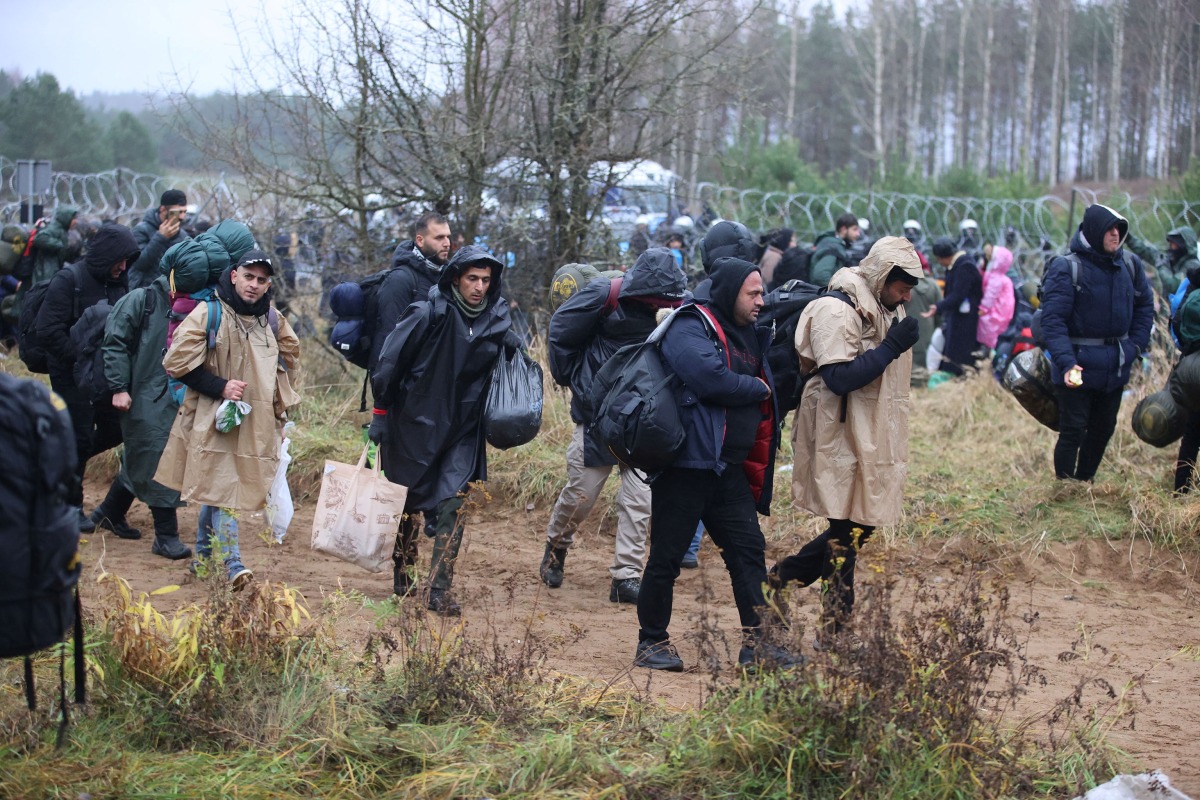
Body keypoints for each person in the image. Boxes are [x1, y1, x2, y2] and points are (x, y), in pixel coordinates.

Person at [634, 257, 800, 673]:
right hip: (687, 466)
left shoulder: (746, 333)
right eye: (754, 293)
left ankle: (757, 645)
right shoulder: (690, 325)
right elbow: (710, 378)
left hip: (727, 468)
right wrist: (759, 387)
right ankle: (651, 642)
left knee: (748, 553)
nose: (761, 300)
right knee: (667, 557)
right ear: (730, 293)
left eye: (762, 292)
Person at [772, 236, 922, 641]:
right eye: (901, 285)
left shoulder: (885, 304)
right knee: (846, 531)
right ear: (880, 276)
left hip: (870, 430)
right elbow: (838, 379)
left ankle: (783, 579)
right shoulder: (835, 309)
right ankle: (835, 627)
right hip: (835, 432)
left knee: (861, 525)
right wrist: (892, 345)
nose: (906, 294)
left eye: (911, 287)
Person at [368, 245, 515, 616]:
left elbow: (506, 373)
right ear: (455, 278)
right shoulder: (426, 312)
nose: (479, 287)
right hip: (414, 422)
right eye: (472, 279)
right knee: (408, 501)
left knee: (453, 502)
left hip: (463, 428)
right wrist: (381, 414)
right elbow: (388, 364)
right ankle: (404, 571)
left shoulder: (496, 321)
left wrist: (513, 354)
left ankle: (439, 588)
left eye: (486, 279)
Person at [542, 248, 686, 602]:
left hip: (641, 420)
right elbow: (560, 328)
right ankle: (556, 547)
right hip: (596, 417)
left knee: (639, 500)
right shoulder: (604, 294)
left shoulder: (675, 307)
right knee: (581, 495)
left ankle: (626, 577)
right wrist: (574, 380)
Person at [156, 250, 302, 589]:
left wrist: (280, 420)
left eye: (261, 280)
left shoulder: (274, 322)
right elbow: (176, 364)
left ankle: (204, 558)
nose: (253, 285)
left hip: (257, 422)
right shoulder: (209, 313)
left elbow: (285, 372)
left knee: (217, 485)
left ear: (268, 285)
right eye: (248, 277)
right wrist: (220, 386)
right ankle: (233, 563)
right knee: (225, 485)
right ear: (234, 275)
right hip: (213, 417)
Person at [99, 241, 211, 562]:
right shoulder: (142, 300)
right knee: (158, 457)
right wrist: (119, 387)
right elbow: (115, 344)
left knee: (144, 457)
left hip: (175, 395)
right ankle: (165, 536)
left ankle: (109, 512)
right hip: (142, 394)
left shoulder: (195, 306)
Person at [35, 222, 139, 532]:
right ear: (105, 255)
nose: (123, 267)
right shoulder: (69, 279)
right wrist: (80, 359)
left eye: (127, 261)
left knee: (116, 427)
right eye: (119, 260)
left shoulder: (120, 281)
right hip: (68, 372)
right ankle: (71, 506)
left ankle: (55, 461)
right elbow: (47, 331)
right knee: (79, 435)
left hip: (105, 372)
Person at [1039, 204, 1153, 482]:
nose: (1116, 234)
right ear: (1095, 230)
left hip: (1116, 364)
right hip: (1076, 365)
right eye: (1110, 229)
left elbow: (1145, 307)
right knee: (1073, 429)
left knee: (1103, 429)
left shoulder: (1130, 265)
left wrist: (1134, 347)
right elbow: (1053, 321)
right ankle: (1065, 487)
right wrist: (1067, 362)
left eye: (1119, 229)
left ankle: (1085, 481)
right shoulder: (1066, 268)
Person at [370, 212, 453, 371]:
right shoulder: (400, 280)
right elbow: (388, 339)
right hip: (406, 382)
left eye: (448, 237)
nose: (447, 243)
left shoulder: (449, 277)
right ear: (420, 240)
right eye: (439, 238)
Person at [922, 237, 982, 376]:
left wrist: (938, 307)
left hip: (965, 321)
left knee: (959, 356)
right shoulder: (958, 265)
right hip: (959, 318)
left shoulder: (964, 266)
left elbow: (958, 295)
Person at [127, 190, 190, 290]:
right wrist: (161, 237)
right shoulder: (141, 230)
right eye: (178, 212)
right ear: (163, 209)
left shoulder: (182, 235)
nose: (182, 217)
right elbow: (139, 263)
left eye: (184, 212)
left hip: (169, 292)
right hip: (144, 291)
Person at [1127, 225, 1199, 301]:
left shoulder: (1193, 266)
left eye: (1174, 244)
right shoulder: (1173, 260)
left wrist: (1161, 267)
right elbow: (1147, 252)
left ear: (1183, 245)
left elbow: (1173, 286)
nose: (1170, 247)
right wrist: (1129, 239)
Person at [977, 245, 1016, 353]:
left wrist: (983, 308)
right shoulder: (999, 276)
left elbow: (990, 295)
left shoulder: (996, 277)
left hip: (996, 311)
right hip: (1001, 311)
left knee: (988, 327)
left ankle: (986, 351)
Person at [27, 206, 79, 285]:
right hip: (45, 273)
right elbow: (39, 238)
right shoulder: (54, 228)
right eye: (74, 218)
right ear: (66, 218)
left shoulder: (62, 230)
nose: (76, 221)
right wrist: (59, 245)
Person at [809, 212, 861, 287]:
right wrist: (840, 289)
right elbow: (820, 276)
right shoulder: (833, 246)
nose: (858, 234)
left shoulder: (833, 242)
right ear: (843, 229)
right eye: (854, 229)